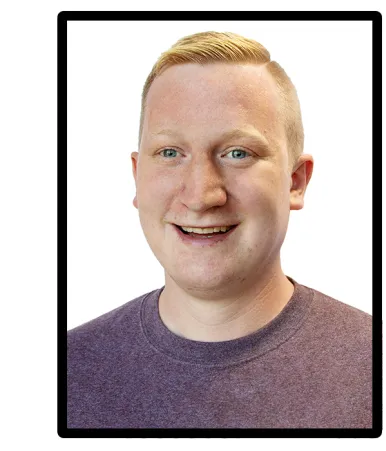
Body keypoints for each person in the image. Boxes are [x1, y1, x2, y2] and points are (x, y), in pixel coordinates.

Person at [67, 31, 371, 429]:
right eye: (171, 153)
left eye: (237, 153)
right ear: (138, 177)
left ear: (295, 181)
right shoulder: (61, 372)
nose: (201, 195)